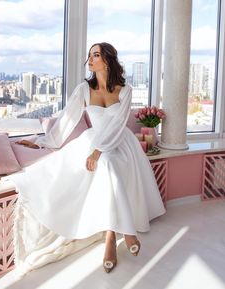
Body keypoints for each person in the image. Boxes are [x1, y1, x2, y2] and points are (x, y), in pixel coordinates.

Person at [10, 42, 166, 274]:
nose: (90, 60)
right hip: (94, 140)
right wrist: (41, 142)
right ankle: (123, 233)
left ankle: (111, 238)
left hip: (119, 141)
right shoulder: (84, 89)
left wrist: (98, 151)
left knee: (107, 162)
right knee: (107, 166)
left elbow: (117, 124)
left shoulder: (125, 89)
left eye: (95, 55)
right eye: (89, 56)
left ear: (108, 60)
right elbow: (66, 119)